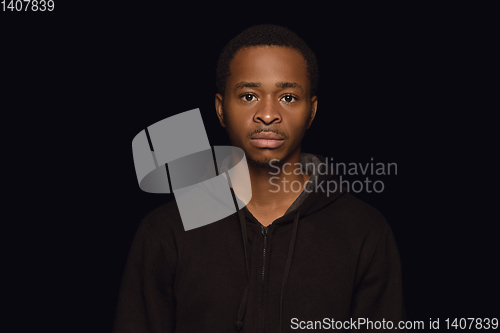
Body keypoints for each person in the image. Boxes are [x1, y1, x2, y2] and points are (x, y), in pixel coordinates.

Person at [113, 24, 406, 332]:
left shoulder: (364, 231)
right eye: (249, 95)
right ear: (221, 108)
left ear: (312, 111)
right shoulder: (166, 230)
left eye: (289, 97)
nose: (268, 114)